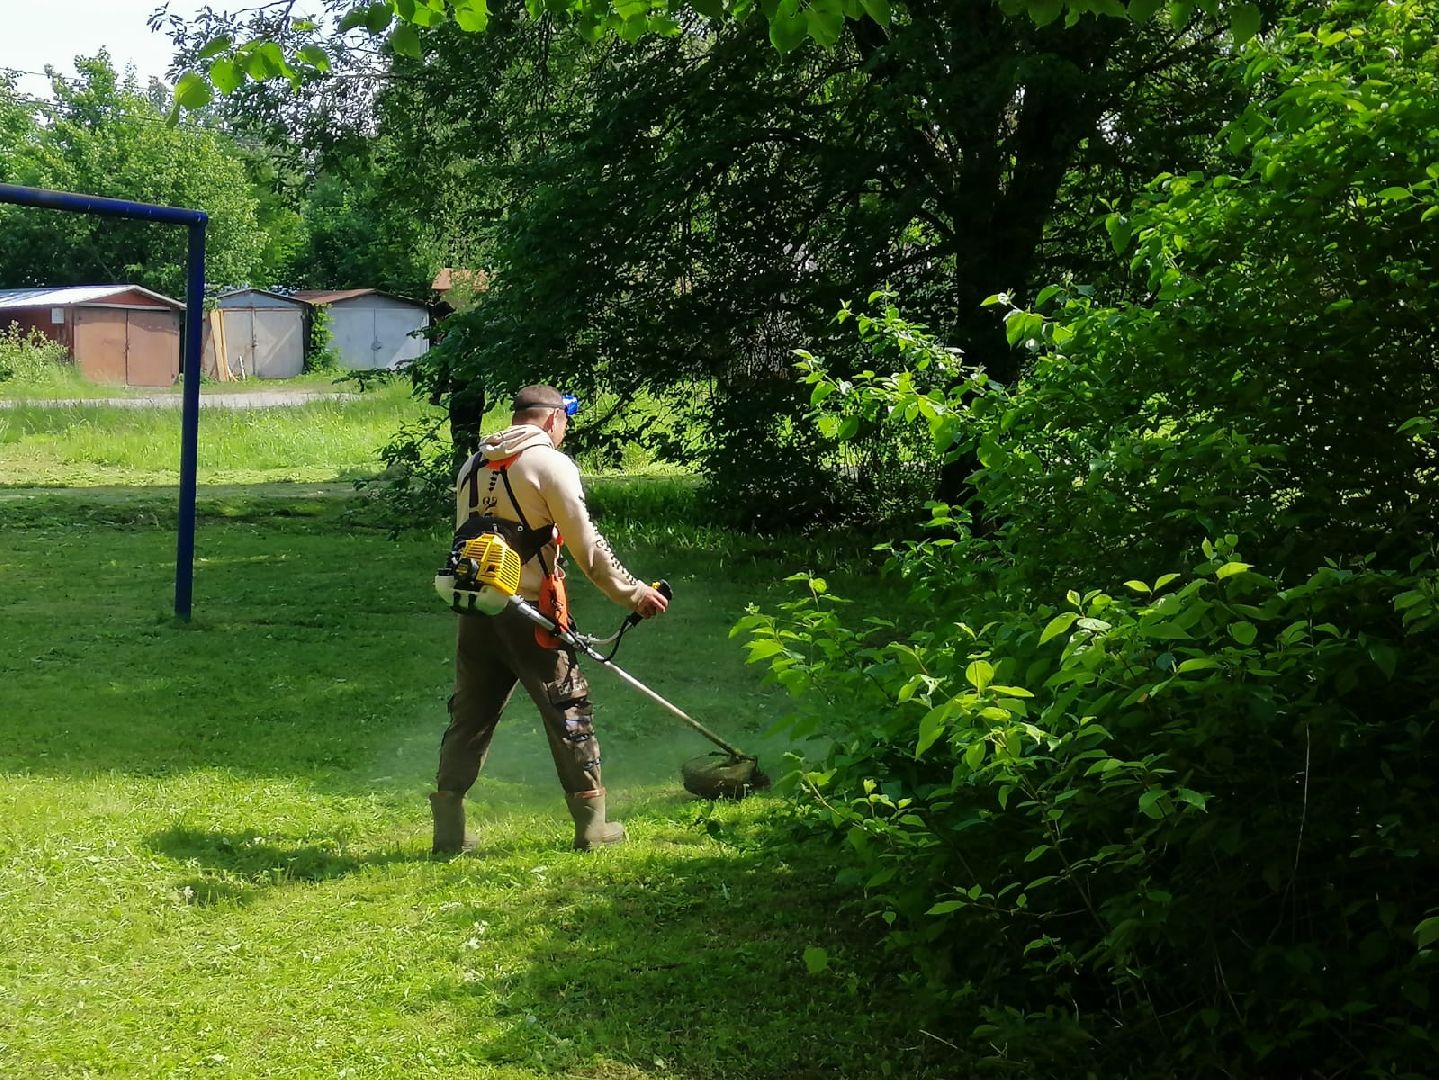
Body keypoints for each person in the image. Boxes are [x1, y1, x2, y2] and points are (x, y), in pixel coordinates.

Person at [430, 384, 669, 854]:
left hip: (478, 608)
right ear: (553, 419)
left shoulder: (474, 463)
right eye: (565, 424)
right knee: (569, 711)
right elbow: (588, 545)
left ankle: (449, 830)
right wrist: (634, 592)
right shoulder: (550, 463)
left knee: (470, 715)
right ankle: (592, 826)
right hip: (531, 615)